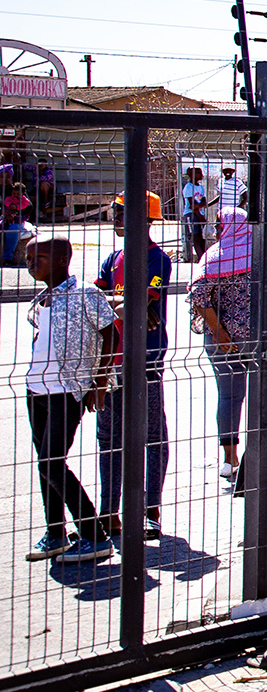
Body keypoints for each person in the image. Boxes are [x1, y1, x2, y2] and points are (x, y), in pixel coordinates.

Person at [23, 237, 119, 563]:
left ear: (64, 258)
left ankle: (94, 534)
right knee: (46, 463)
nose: (31, 263)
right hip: (36, 390)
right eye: (28, 257)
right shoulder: (41, 299)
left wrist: (100, 381)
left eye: (40, 257)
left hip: (68, 390)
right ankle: (55, 533)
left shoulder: (85, 295)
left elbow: (111, 334)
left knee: (51, 461)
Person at [95, 191, 171, 541]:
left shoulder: (158, 260)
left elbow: (143, 300)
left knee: (151, 433)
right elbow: (100, 300)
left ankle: (149, 508)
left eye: (122, 212)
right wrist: (122, 302)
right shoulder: (112, 259)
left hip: (145, 359)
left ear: (144, 218)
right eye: (115, 212)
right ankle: (109, 511)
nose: (116, 218)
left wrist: (127, 302)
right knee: (109, 437)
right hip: (111, 359)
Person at [186, 206, 255, 486]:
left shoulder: (213, 257)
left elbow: (198, 296)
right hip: (259, 337)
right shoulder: (261, 252)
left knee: (228, 397)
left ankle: (230, 459)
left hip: (221, 341)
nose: (215, 230)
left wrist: (219, 332)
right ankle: (262, 455)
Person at [180, 167, 209, 259]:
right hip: (191, 214)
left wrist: (199, 206)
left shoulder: (200, 187)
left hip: (200, 214)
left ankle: (205, 257)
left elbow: (204, 202)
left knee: (202, 237)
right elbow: (191, 206)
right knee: (195, 236)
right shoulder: (188, 187)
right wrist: (199, 212)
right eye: (198, 173)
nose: (201, 175)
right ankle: (200, 258)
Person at [3, 182, 29, 263]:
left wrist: (16, 207)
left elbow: (25, 205)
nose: (15, 195)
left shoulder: (24, 200)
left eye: (18, 194)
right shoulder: (9, 198)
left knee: (13, 231)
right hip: (6, 218)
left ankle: (8, 257)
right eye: (14, 193)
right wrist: (10, 205)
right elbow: (6, 202)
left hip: (18, 219)